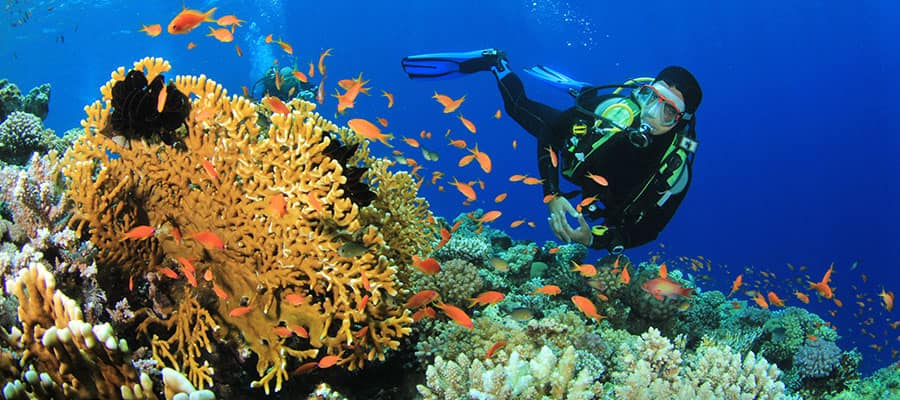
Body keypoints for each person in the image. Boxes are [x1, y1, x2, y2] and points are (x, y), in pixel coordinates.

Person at [401, 49, 702, 253]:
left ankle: (582, 89)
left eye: (667, 112)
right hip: (578, 145)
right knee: (517, 107)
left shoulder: (673, 172)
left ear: (680, 121)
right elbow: (550, 132)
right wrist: (552, 194)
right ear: (642, 91)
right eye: (649, 97)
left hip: (597, 187)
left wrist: (593, 240)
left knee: (579, 107)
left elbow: (649, 229)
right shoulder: (613, 111)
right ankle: (495, 62)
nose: (650, 114)